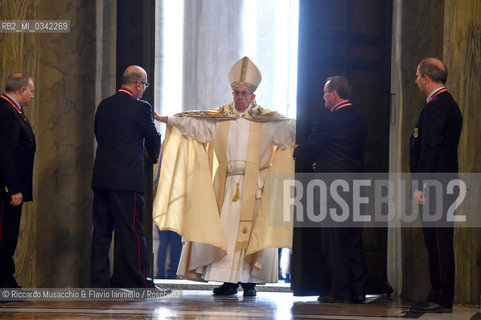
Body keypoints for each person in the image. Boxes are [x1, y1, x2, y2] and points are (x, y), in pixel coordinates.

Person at [153, 57, 295, 296]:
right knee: (225, 234)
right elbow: (195, 125)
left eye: (244, 93)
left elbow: (291, 131)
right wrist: (169, 120)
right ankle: (228, 280)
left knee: (252, 234)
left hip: (256, 185)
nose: (239, 97)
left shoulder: (268, 121)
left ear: (253, 96)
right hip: (227, 185)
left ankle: (249, 282)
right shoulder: (220, 118)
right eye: (236, 93)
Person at [293, 76, 368, 303]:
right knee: (353, 240)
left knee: (333, 241)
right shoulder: (360, 118)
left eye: (325, 92)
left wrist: (297, 150)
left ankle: (339, 291)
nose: (323, 97)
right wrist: (324, 161)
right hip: (356, 186)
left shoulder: (329, 121)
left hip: (333, 189)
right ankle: (358, 291)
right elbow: (342, 150)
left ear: (334, 93)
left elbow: (311, 148)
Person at [90, 65, 161, 288]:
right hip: (127, 180)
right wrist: (153, 156)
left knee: (101, 232)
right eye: (145, 85)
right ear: (138, 84)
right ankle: (141, 281)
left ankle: (99, 283)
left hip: (102, 178)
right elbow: (153, 137)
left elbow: (99, 134)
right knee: (132, 231)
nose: (144, 90)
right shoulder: (141, 107)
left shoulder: (104, 105)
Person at [409, 58, 462, 313]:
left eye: (418, 76)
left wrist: (420, 185)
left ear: (427, 78)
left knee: (439, 240)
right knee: (437, 239)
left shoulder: (438, 106)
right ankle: (438, 293)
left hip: (435, 186)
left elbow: (430, 148)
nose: (416, 81)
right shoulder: (443, 103)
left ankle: (441, 296)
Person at [0, 73, 36, 289]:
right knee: (5, 234)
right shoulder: (6, 111)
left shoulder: (14, 110)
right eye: (31, 91)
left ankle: (6, 279)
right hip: (8, 190)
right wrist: (13, 188)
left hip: (14, 187)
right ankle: (3, 283)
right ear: (22, 90)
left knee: (10, 234)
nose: (32, 96)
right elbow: (6, 153)